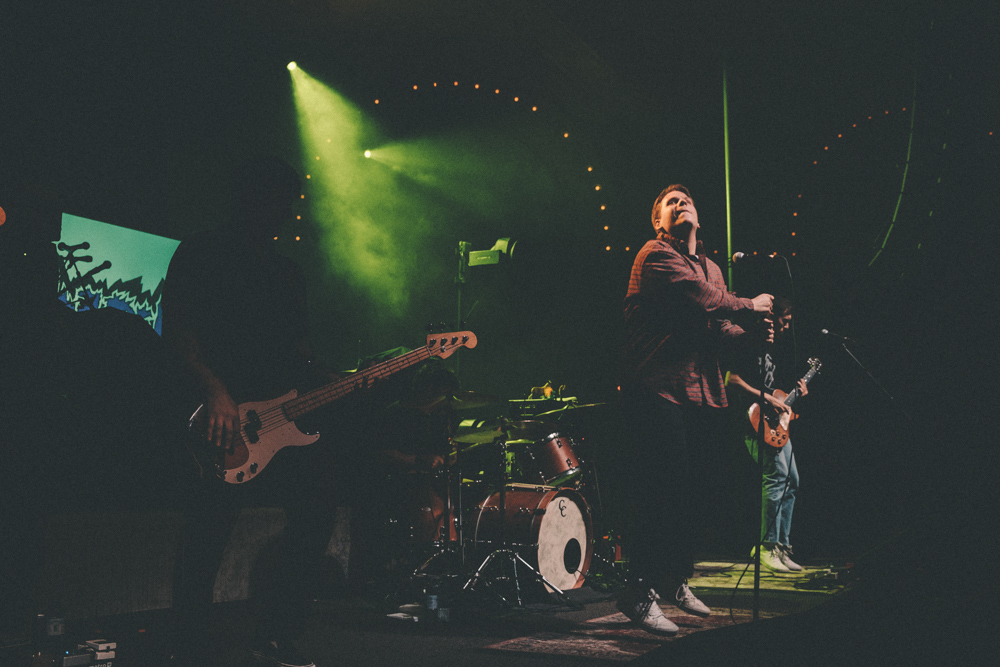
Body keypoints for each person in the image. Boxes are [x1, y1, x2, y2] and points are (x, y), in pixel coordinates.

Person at [161, 156, 341, 667]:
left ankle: (278, 634)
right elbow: (177, 331)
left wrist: (330, 376)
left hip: (281, 419)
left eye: (288, 201)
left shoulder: (288, 272)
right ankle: (187, 642)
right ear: (248, 197)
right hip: (221, 414)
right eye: (275, 198)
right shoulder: (201, 253)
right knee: (209, 523)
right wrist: (214, 389)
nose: (283, 211)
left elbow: (297, 348)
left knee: (319, 503)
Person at [617, 184, 774, 635]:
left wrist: (752, 336)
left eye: (687, 200)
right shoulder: (654, 256)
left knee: (691, 490)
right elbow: (703, 299)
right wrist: (751, 305)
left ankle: (671, 576)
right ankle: (638, 589)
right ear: (659, 221)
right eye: (671, 202)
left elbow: (719, 327)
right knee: (660, 489)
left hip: (698, 392)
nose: (681, 204)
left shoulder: (712, 268)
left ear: (698, 218)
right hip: (655, 387)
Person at [726, 297, 807, 573]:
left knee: (791, 480)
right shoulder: (748, 343)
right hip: (752, 421)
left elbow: (775, 393)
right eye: (782, 323)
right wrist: (767, 399)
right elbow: (731, 379)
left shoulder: (772, 351)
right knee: (776, 478)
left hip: (774, 423)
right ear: (769, 320)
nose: (784, 329)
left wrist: (793, 395)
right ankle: (766, 546)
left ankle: (782, 547)